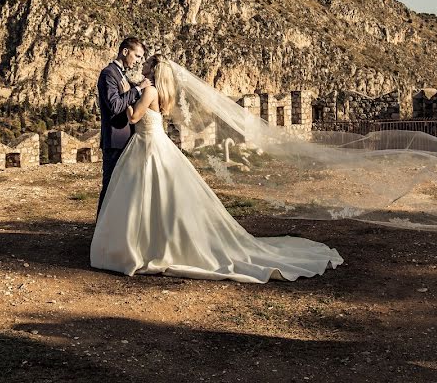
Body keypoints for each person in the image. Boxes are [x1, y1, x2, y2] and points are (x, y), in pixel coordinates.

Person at [91, 54, 343, 283]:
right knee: (158, 195)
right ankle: (153, 241)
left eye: (147, 64)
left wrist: (129, 93)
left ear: (154, 70)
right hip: (152, 143)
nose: (142, 65)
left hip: (146, 145)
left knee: (143, 194)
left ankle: (142, 245)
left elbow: (134, 117)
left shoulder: (149, 91)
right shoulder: (160, 91)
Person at [96, 37, 151, 216]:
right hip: (115, 141)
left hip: (127, 140)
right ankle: (100, 233)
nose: (138, 61)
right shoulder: (108, 74)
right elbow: (115, 106)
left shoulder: (122, 74)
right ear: (125, 51)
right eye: (137, 56)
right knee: (110, 187)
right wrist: (138, 90)